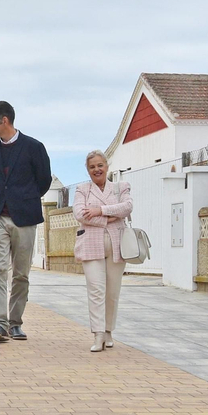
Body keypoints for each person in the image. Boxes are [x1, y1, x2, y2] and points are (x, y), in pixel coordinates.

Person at [0, 100, 52, 343]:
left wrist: (24, 198)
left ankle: (15, 322)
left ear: (4, 120)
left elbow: (44, 181)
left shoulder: (34, 147)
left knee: (21, 274)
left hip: (25, 218)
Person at [73, 150, 132, 353]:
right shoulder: (82, 189)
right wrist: (111, 217)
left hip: (117, 246)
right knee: (96, 290)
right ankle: (97, 334)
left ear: (107, 166)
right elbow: (80, 214)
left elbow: (127, 207)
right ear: (88, 170)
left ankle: (108, 331)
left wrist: (100, 211)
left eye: (100, 165)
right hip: (90, 246)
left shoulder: (120, 187)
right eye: (92, 167)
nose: (97, 169)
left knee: (112, 292)